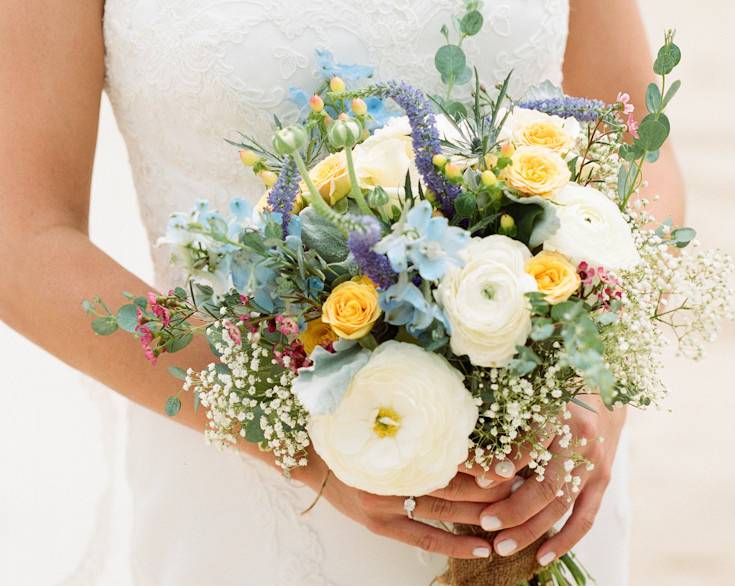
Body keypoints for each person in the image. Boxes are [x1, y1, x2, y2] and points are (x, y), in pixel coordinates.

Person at [0, 1, 684, 584]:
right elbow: (21, 238)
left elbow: (632, 145)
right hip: (242, 485)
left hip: (538, 476)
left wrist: (596, 388)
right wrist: (296, 436)